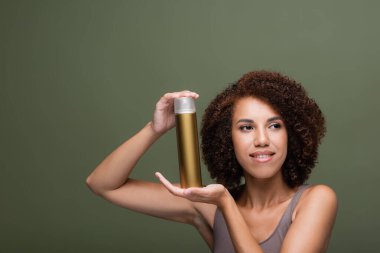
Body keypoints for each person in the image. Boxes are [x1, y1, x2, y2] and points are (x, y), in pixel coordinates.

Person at [86, 70, 338, 253]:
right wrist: (154, 128)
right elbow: (103, 184)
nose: (262, 140)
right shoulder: (208, 206)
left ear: (291, 134)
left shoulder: (316, 200)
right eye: (246, 127)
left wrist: (226, 204)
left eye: (274, 125)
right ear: (227, 139)